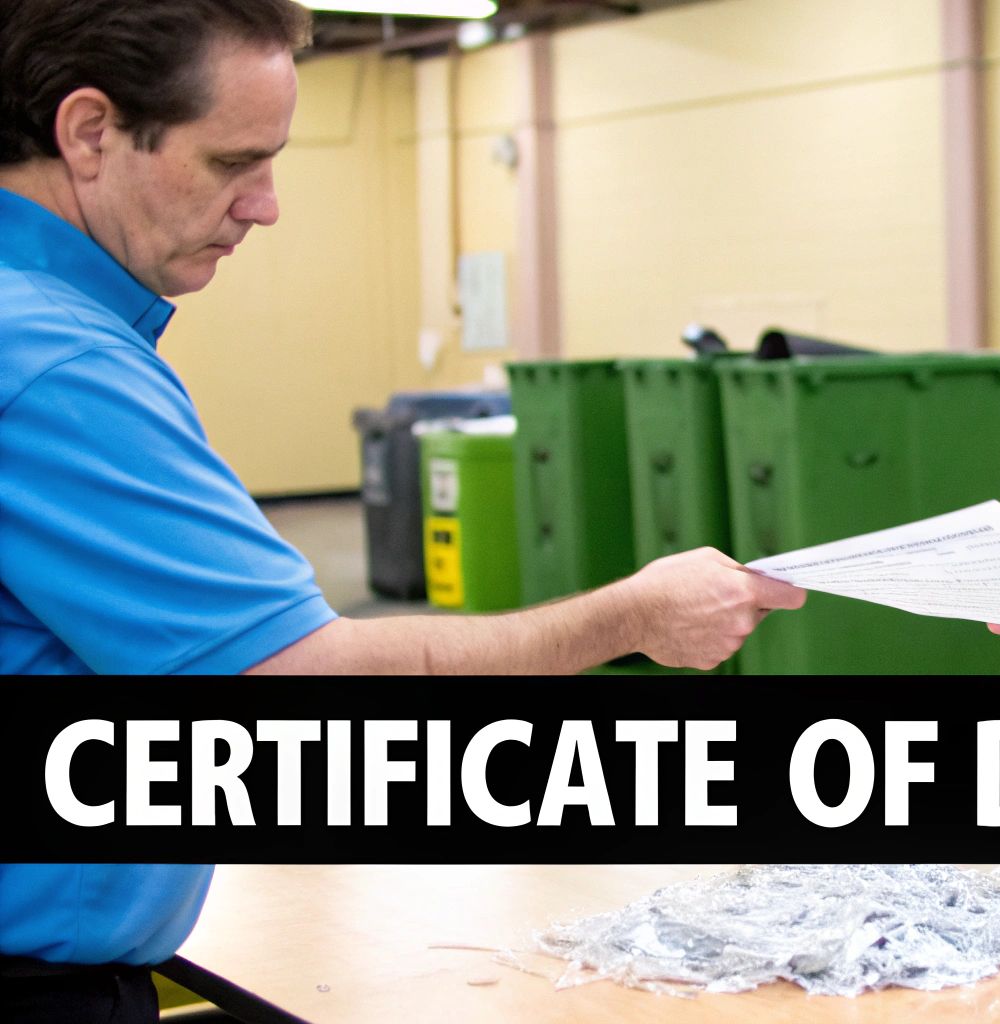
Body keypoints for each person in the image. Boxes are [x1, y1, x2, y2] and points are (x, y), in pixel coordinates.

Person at [0, 1, 802, 1017]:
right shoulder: (53, 362)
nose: (265, 205)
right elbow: (292, 683)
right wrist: (629, 619)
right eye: (232, 161)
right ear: (89, 133)